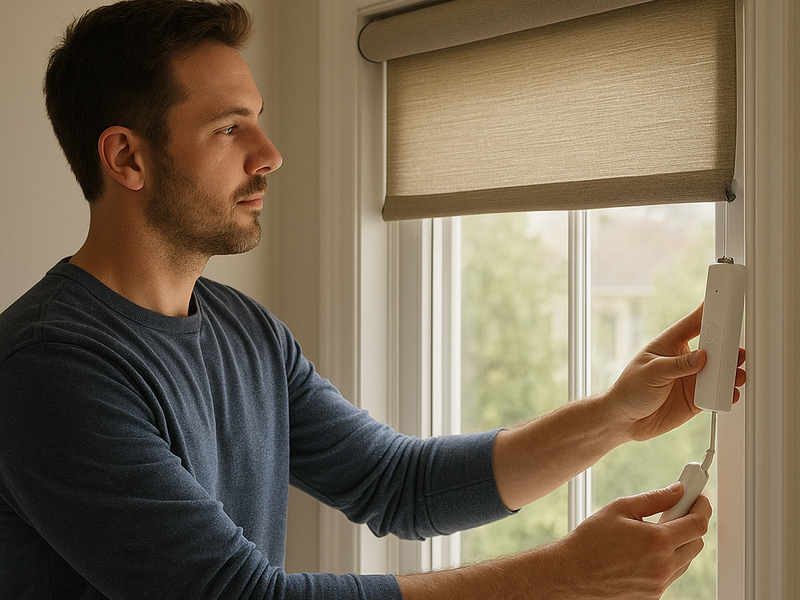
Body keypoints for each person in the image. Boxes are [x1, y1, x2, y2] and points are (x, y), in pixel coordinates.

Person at [0, 1, 746, 599]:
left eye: (257, 119)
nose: (270, 154)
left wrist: (614, 418)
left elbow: (399, 484)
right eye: (230, 129)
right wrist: (563, 578)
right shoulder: (50, 368)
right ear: (127, 157)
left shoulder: (244, 331)